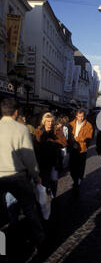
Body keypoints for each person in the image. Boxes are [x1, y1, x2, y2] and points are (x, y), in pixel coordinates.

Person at [0, 98, 45, 248]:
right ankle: (39, 239)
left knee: (9, 205)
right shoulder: (21, 129)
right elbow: (29, 157)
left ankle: (12, 232)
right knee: (29, 208)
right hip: (17, 175)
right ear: (16, 112)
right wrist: (36, 175)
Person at [34, 112, 67, 198]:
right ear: (44, 121)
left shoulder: (57, 130)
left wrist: (53, 142)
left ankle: (53, 197)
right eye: (48, 121)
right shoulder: (38, 131)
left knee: (54, 180)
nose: (50, 123)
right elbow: (36, 145)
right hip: (43, 161)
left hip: (54, 161)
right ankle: (44, 199)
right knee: (44, 182)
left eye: (52, 121)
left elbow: (64, 143)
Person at [69, 109, 94, 190]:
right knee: (72, 167)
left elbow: (89, 137)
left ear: (84, 116)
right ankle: (75, 178)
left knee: (80, 166)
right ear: (76, 116)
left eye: (82, 116)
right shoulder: (71, 124)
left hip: (82, 149)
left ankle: (78, 180)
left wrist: (79, 139)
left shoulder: (88, 125)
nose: (80, 118)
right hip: (73, 148)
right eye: (79, 116)